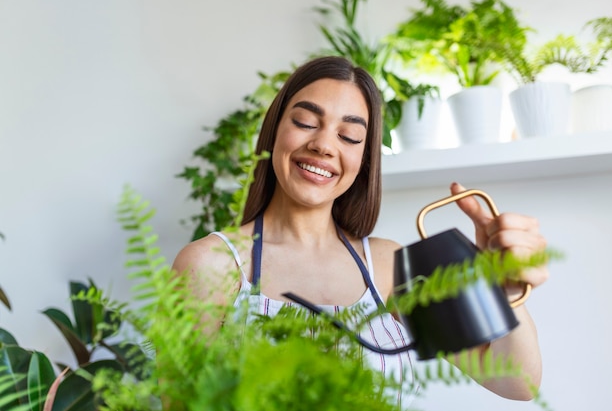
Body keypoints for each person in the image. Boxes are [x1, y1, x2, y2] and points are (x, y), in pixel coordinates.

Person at [172, 56, 549, 408]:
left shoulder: (387, 266)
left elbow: (515, 382)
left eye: (349, 137)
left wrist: (507, 291)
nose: (322, 145)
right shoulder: (212, 265)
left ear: (363, 160)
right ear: (274, 132)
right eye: (305, 122)